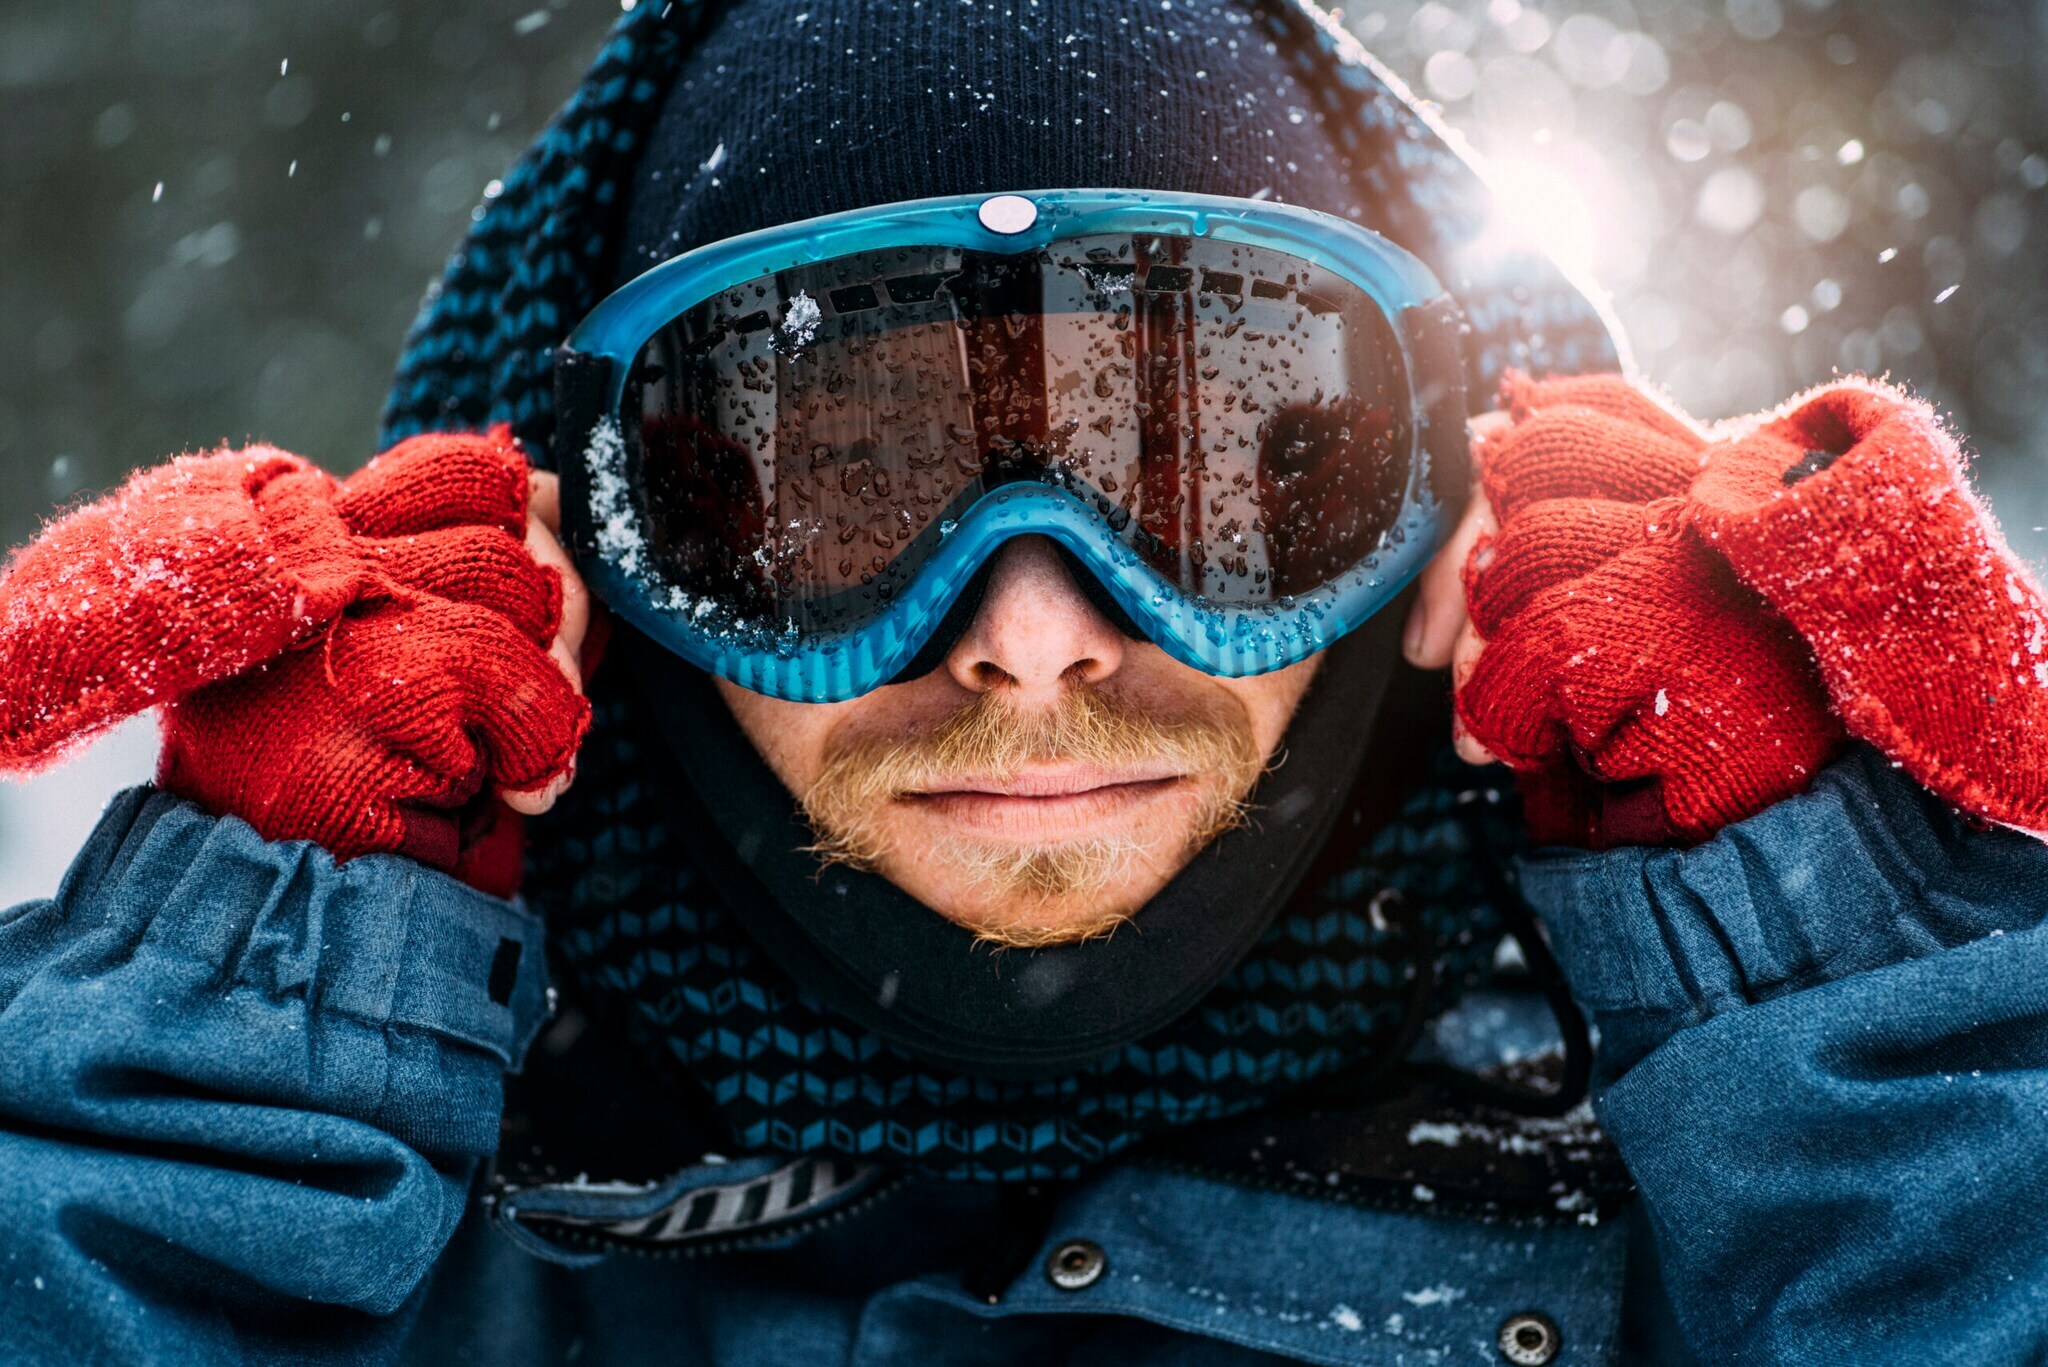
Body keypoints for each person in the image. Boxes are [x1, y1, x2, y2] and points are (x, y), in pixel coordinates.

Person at [1, 2, 2044, 1363]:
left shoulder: (1734, 1187)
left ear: (1446, 520)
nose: (1035, 630)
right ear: (586, 555)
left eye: (1216, 468)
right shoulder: (372, 1222)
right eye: (841, 479)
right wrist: (241, 1045)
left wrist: (1824, 975)